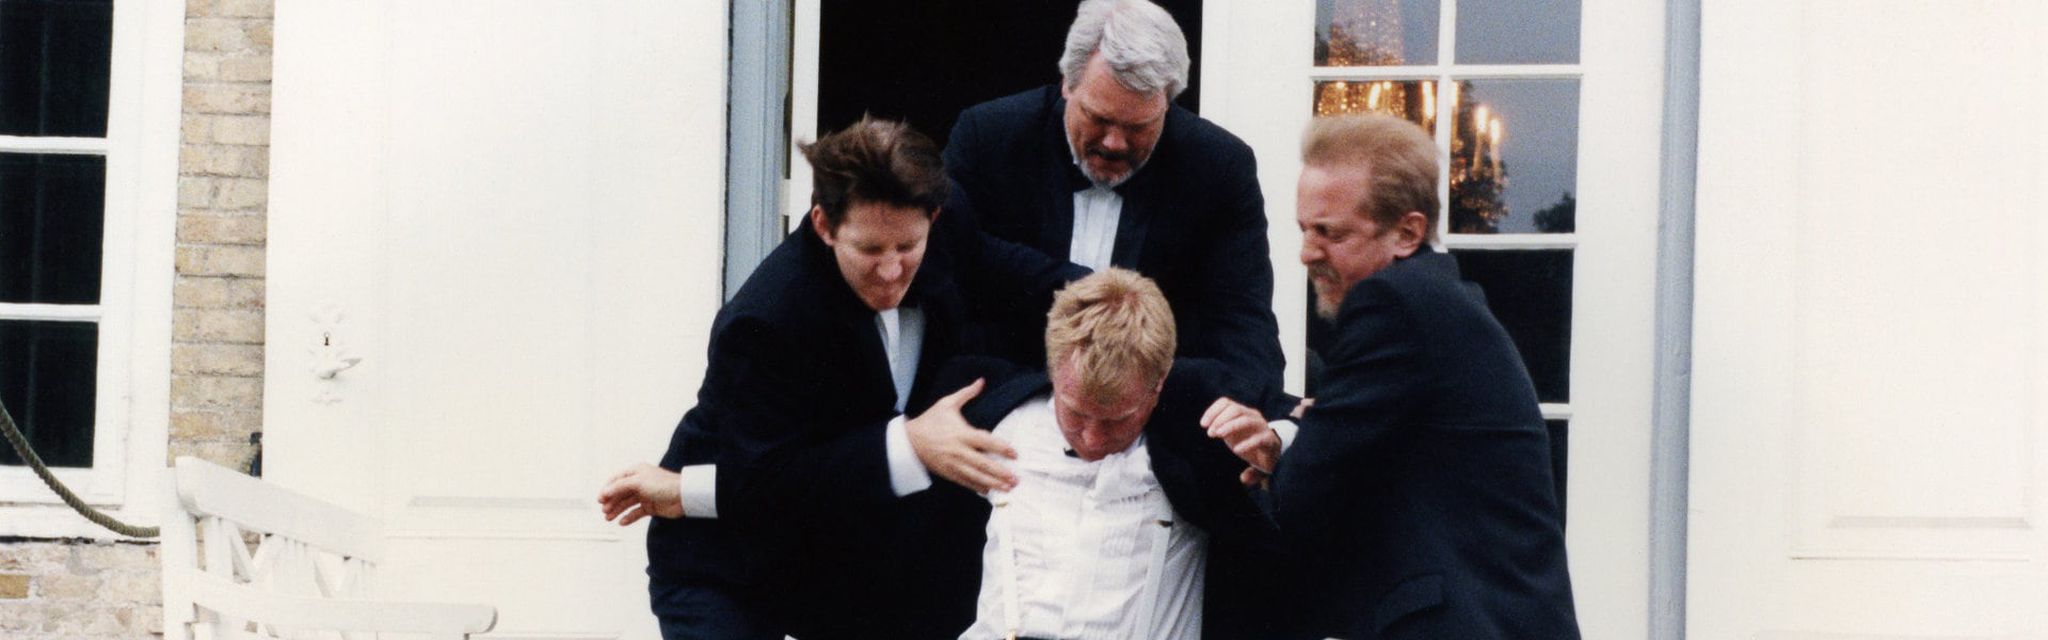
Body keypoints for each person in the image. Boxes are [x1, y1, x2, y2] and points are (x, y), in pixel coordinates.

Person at [598, 117, 1052, 640]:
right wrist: (910, 445)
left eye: (907, 247)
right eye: (870, 250)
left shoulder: (946, 226)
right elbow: (766, 484)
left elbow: (1018, 276)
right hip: (727, 562)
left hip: (842, 552)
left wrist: (1112, 305)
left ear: (934, 218)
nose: (891, 270)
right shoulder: (766, 319)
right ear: (824, 225)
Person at [1233, 113, 1580, 638]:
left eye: (1330, 232)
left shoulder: (1392, 303)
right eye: (1304, 229)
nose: (1306, 253)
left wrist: (1284, 452)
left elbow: (1303, 496)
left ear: (1407, 232)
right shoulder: (1442, 303)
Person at [921, 269, 1304, 640]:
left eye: (1116, 420)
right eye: (1075, 413)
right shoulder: (994, 413)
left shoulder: (1196, 424)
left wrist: (1276, 446)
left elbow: (1316, 423)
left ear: (1159, 385)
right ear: (1053, 371)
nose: (1092, 438)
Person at [943, 0, 1285, 393]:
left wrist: (1251, 409)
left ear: (1168, 102)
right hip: (1006, 393)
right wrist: (1089, 289)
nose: (1114, 143)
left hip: (1155, 406)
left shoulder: (1220, 167)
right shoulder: (988, 139)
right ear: (1067, 84)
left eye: (1139, 126)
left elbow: (1243, 323)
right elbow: (948, 262)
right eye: (1099, 118)